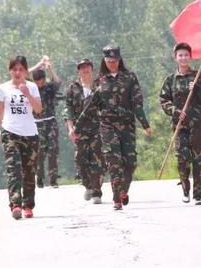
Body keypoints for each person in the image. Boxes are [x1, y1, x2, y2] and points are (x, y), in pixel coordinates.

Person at [75, 45, 153, 210]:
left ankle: (123, 190)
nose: (112, 63)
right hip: (107, 126)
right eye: (109, 61)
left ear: (119, 60)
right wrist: (78, 126)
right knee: (114, 161)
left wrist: (145, 124)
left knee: (130, 162)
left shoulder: (130, 78)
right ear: (104, 61)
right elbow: (91, 106)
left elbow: (137, 103)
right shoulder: (99, 81)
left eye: (115, 60)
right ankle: (117, 198)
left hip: (127, 126)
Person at [159, 42, 201, 205]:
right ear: (175, 58)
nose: (183, 58)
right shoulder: (170, 80)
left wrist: (197, 88)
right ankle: (185, 189)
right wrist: (175, 111)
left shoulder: (198, 77)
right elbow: (163, 100)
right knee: (182, 159)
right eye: (180, 55)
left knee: (199, 160)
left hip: (198, 126)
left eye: (186, 55)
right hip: (180, 127)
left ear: (190, 57)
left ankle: (198, 194)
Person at [0, 55, 42, 220]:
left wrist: (27, 94)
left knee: (29, 171)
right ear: (10, 71)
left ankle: (28, 206)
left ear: (26, 71)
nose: (18, 72)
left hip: (30, 134)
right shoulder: (3, 88)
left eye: (21, 69)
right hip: (10, 132)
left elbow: (38, 109)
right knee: (14, 169)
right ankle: (16, 204)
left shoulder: (32, 87)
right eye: (15, 69)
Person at [65, 58, 105, 204]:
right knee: (80, 160)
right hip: (79, 130)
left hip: (97, 128)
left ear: (92, 69)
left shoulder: (100, 86)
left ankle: (96, 192)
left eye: (87, 67)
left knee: (97, 160)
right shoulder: (72, 88)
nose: (85, 70)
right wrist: (70, 129)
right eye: (82, 68)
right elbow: (68, 110)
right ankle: (88, 185)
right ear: (78, 71)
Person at [30, 56, 62, 188]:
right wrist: (38, 65)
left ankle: (53, 179)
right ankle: (39, 178)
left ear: (44, 79)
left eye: (41, 81)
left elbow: (58, 81)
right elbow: (24, 73)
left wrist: (49, 68)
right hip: (36, 124)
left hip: (50, 122)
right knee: (39, 153)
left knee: (53, 151)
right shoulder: (30, 88)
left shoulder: (49, 87)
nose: (39, 84)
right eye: (36, 81)